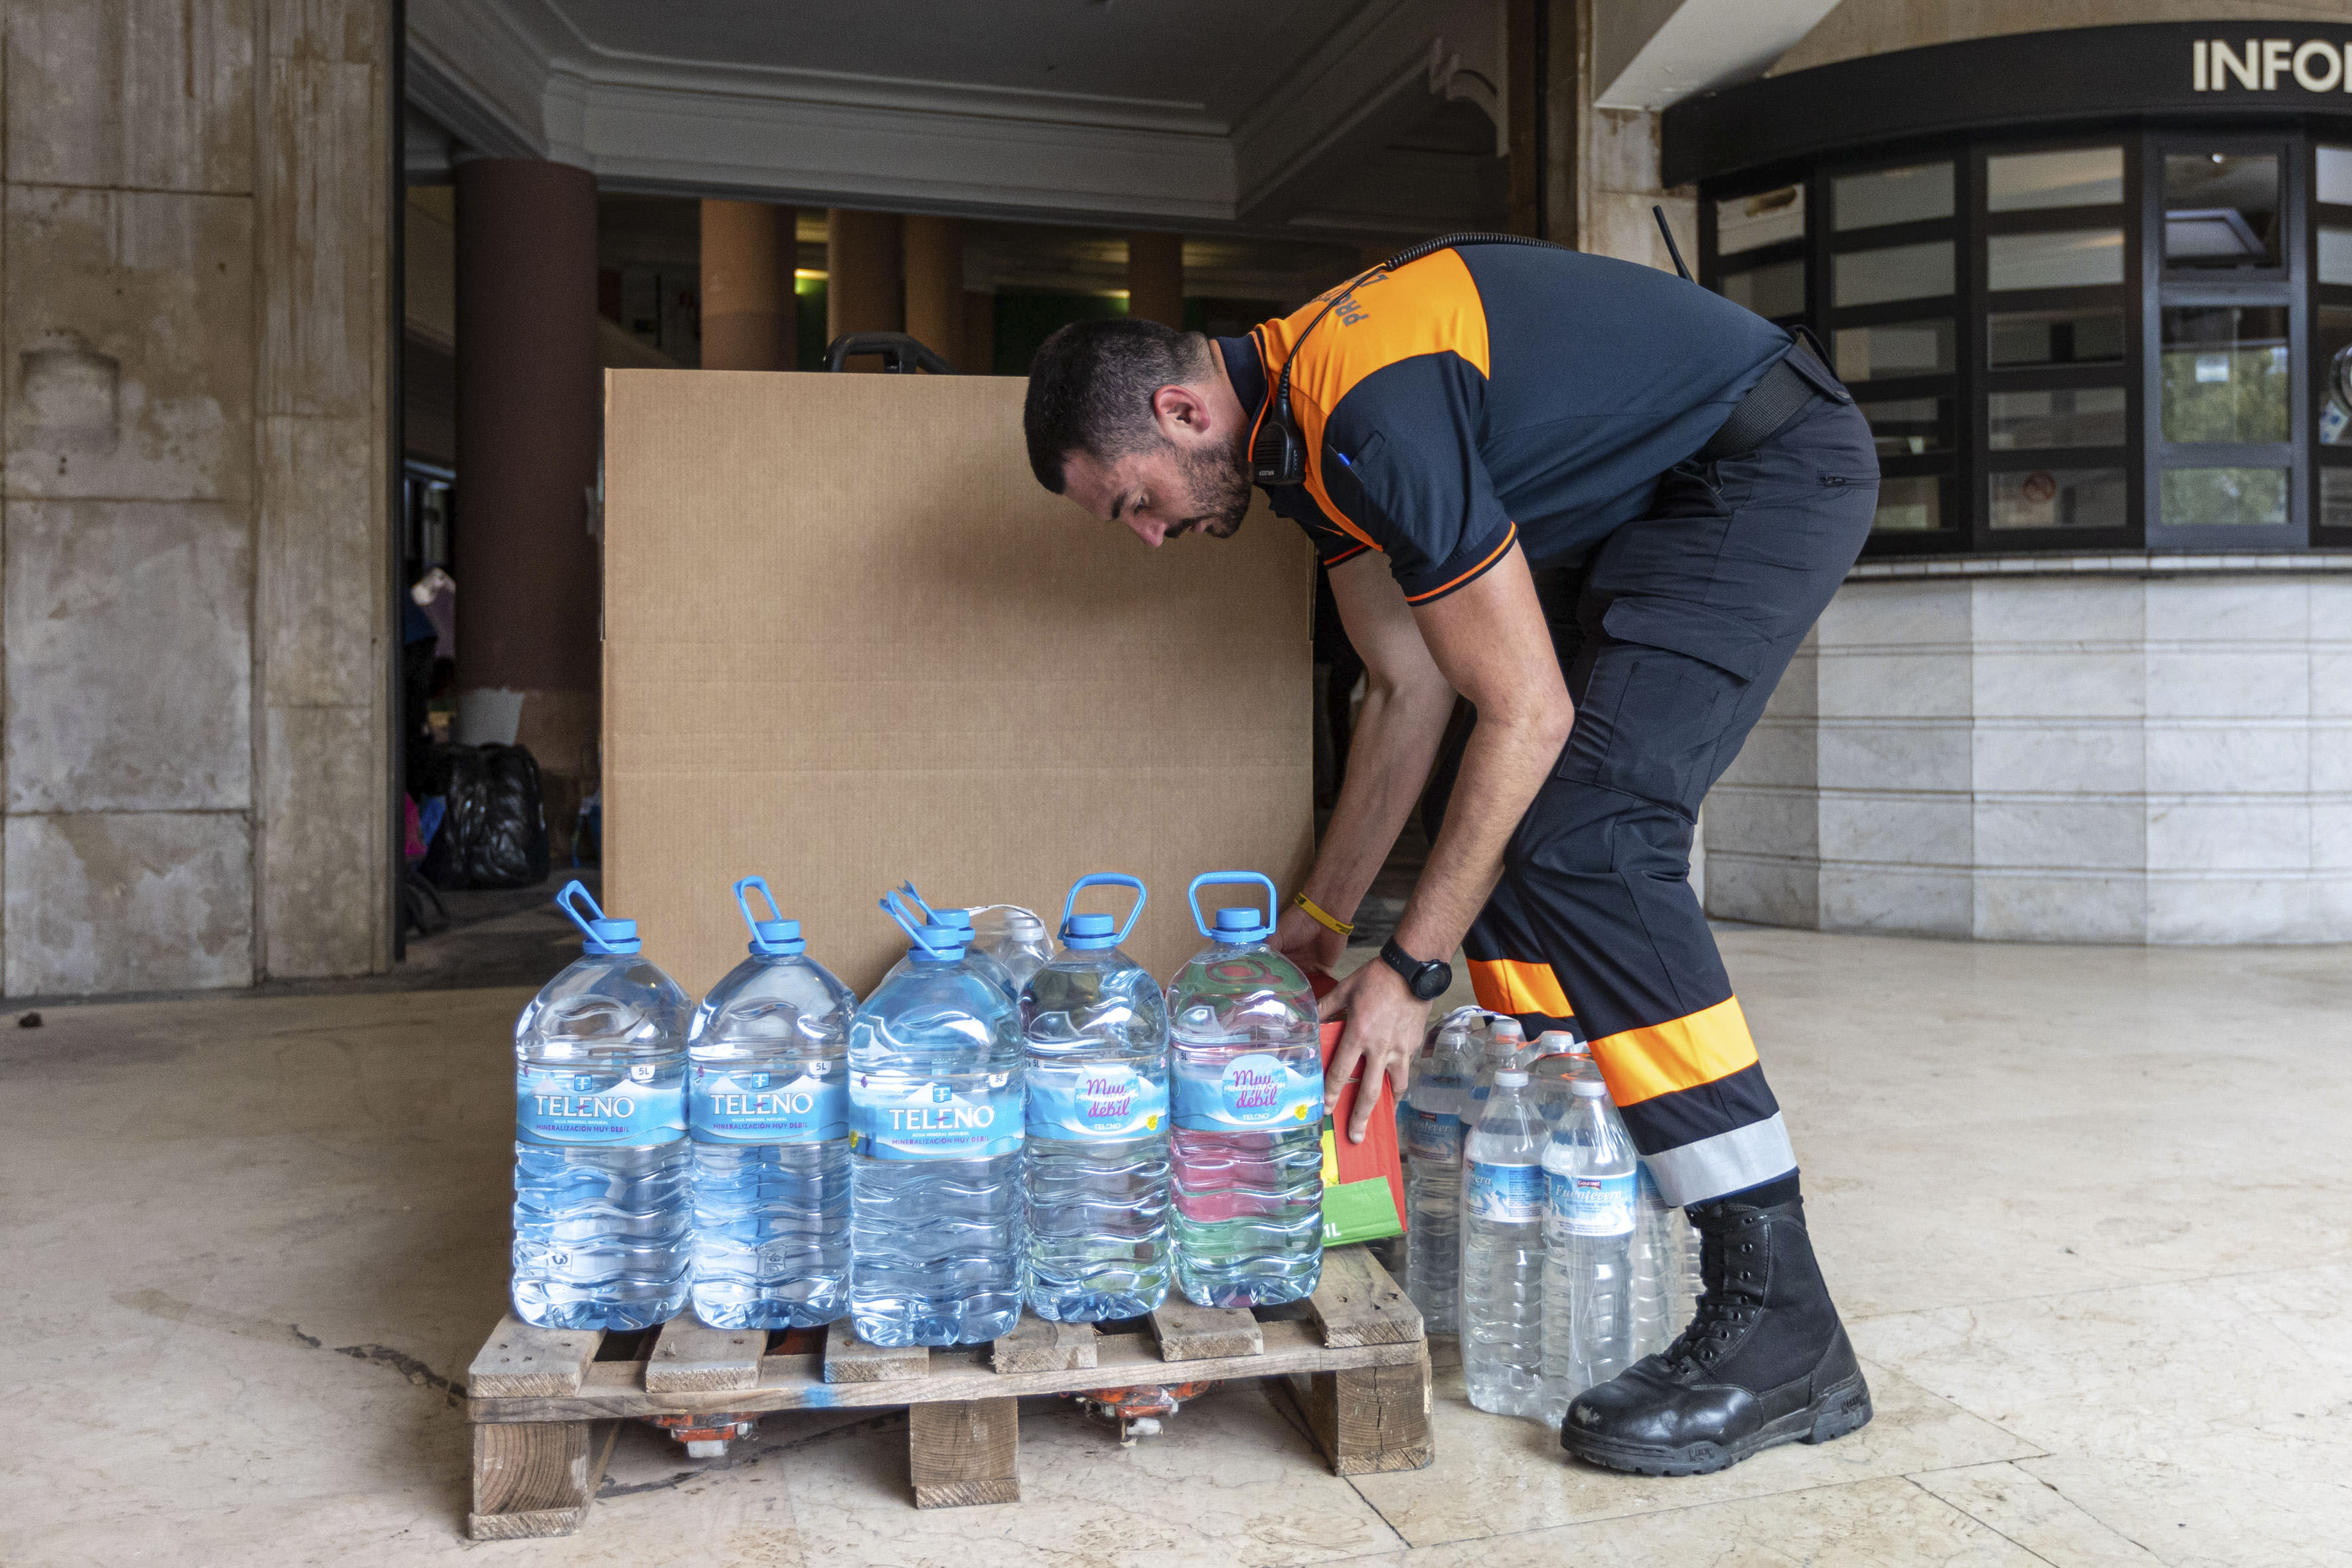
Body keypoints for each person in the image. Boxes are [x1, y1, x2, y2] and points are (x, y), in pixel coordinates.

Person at [1021, 235, 1879, 1476]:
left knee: (1589, 838)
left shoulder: (1367, 406)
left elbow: (1527, 711)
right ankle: (1570, 1167)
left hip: (1764, 471)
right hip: (1666, 501)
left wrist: (1412, 968)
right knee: (1521, 844)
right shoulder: (1313, 449)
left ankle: (1782, 1314)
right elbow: (1405, 689)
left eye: (1135, 500)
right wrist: (1325, 917)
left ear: (1180, 409)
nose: (1149, 535)